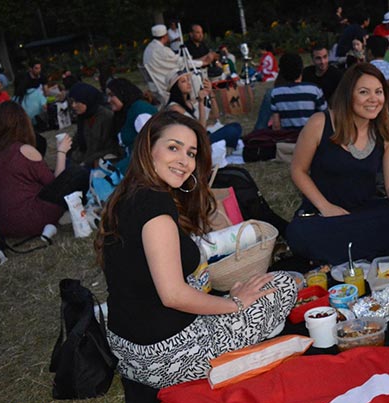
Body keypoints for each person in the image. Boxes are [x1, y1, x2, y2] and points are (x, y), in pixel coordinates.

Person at [95, 111, 297, 388]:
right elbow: (174, 295)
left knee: (247, 288)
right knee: (285, 284)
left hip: (127, 350)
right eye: (173, 147)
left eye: (191, 153)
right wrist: (234, 304)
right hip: (166, 356)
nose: (184, 161)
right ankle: (244, 347)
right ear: (148, 148)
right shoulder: (156, 209)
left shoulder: (125, 196)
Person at [285, 63, 389, 265]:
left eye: (378, 92)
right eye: (364, 92)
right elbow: (298, 170)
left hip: (364, 211)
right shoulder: (320, 122)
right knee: (298, 233)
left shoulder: (388, 133)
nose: (373, 99)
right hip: (323, 215)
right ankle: (382, 252)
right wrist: (326, 207)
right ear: (348, 95)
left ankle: (354, 256)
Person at [0, 101, 74, 237]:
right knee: (77, 174)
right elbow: (56, 185)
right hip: (29, 221)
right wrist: (61, 152)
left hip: (3, 225)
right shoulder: (24, 150)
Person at [165, 70, 242, 148]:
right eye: (183, 81)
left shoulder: (190, 103)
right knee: (231, 131)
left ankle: (228, 148)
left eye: (188, 80)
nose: (188, 83)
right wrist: (201, 102)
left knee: (236, 126)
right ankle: (228, 148)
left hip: (204, 137)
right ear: (175, 87)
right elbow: (200, 130)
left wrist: (210, 93)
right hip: (197, 142)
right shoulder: (175, 108)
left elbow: (215, 115)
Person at [143, 24, 208, 104]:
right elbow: (181, 63)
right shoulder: (163, 51)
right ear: (165, 36)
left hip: (155, 84)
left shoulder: (148, 49)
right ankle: (197, 104)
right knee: (195, 77)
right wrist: (203, 62)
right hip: (165, 84)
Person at [67, 82, 120, 168]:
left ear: (87, 100)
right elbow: (78, 141)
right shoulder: (83, 116)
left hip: (98, 161)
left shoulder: (106, 117)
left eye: (77, 102)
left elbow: (110, 147)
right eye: (72, 102)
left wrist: (86, 162)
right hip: (81, 158)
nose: (73, 105)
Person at [270, 53, 327, 131]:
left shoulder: (276, 93)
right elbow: (325, 115)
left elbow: (276, 125)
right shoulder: (314, 90)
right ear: (301, 69)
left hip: (288, 138)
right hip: (309, 136)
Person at [106, 78, 157, 162]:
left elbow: (152, 145)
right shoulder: (125, 112)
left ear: (122, 93)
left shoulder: (140, 110)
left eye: (112, 95)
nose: (108, 100)